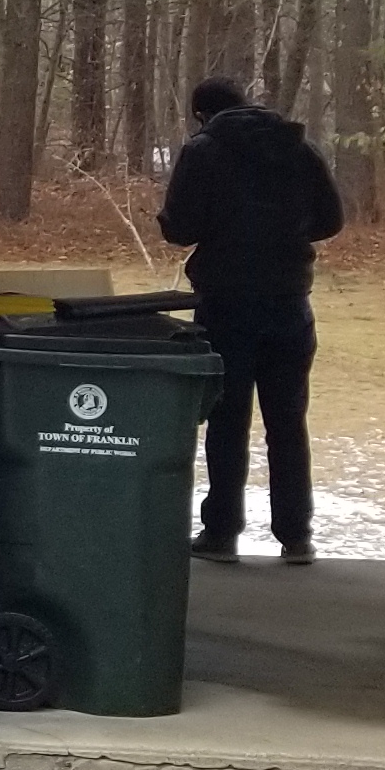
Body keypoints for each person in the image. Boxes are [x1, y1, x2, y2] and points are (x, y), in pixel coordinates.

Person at [156, 74, 346, 562]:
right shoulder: (297, 147)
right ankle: (296, 537)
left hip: (225, 300)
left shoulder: (202, 151)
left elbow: (180, 228)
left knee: (227, 418)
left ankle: (222, 533)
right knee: (287, 420)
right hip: (289, 299)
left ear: (202, 113)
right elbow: (331, 219)